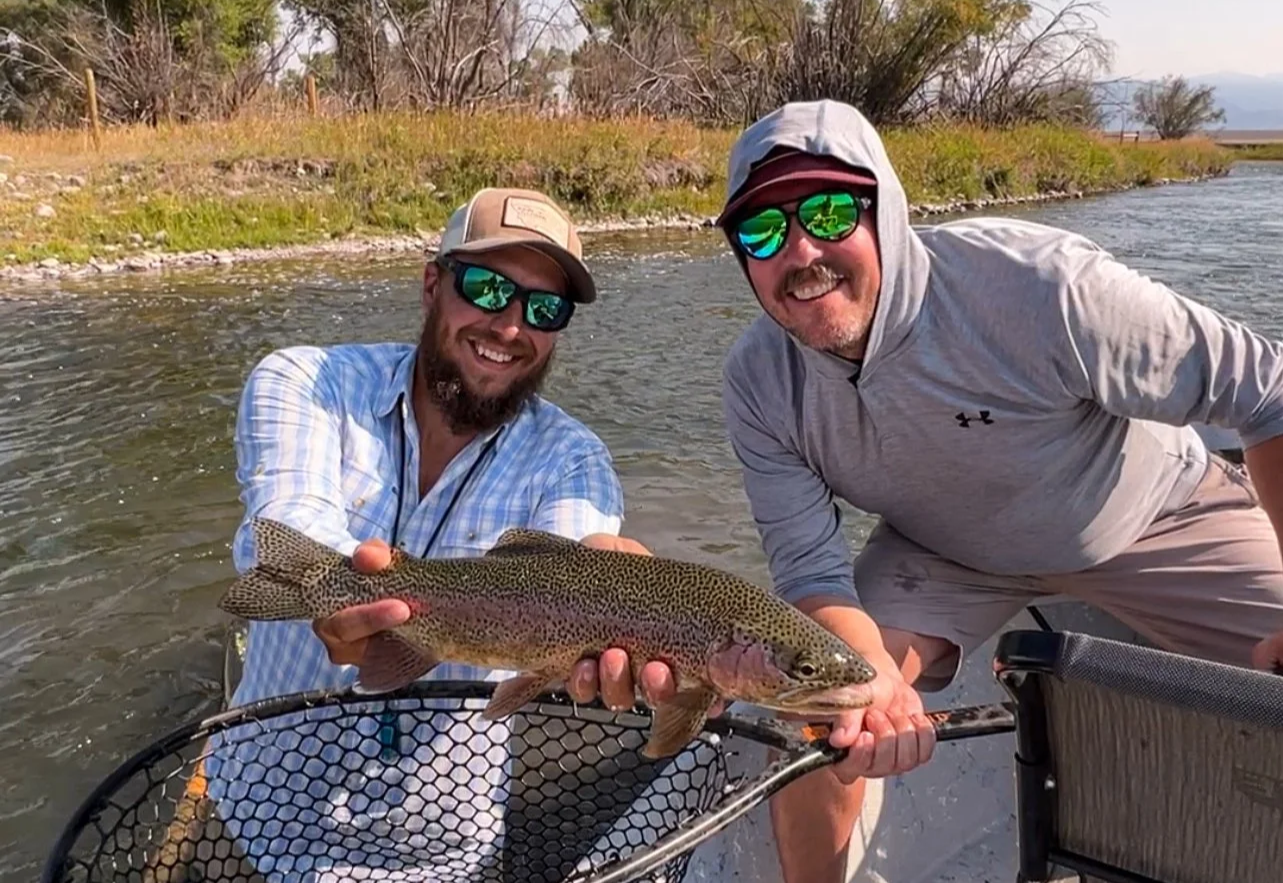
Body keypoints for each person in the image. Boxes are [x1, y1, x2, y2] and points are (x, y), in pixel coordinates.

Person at [579, 99, 1283, 883]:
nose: (800, 250)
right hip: (944, 550)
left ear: (885, 207)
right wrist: (868, 677)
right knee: (815, 717)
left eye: (829, 209)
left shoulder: (1039, 288)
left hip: (1153, 514)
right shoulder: (757, 381)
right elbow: (810, 572)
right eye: (763, 231)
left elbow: (1266, 392)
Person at [207, 186, 649, 879]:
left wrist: (619, 587)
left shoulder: (573, 458)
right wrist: (343, 595)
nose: (509, 326)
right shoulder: (306, 379)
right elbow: (288, 519)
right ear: (431, 284)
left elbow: (584, 549)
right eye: (484, 287)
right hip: (261, 818)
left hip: (440, 853)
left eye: (543, 308)